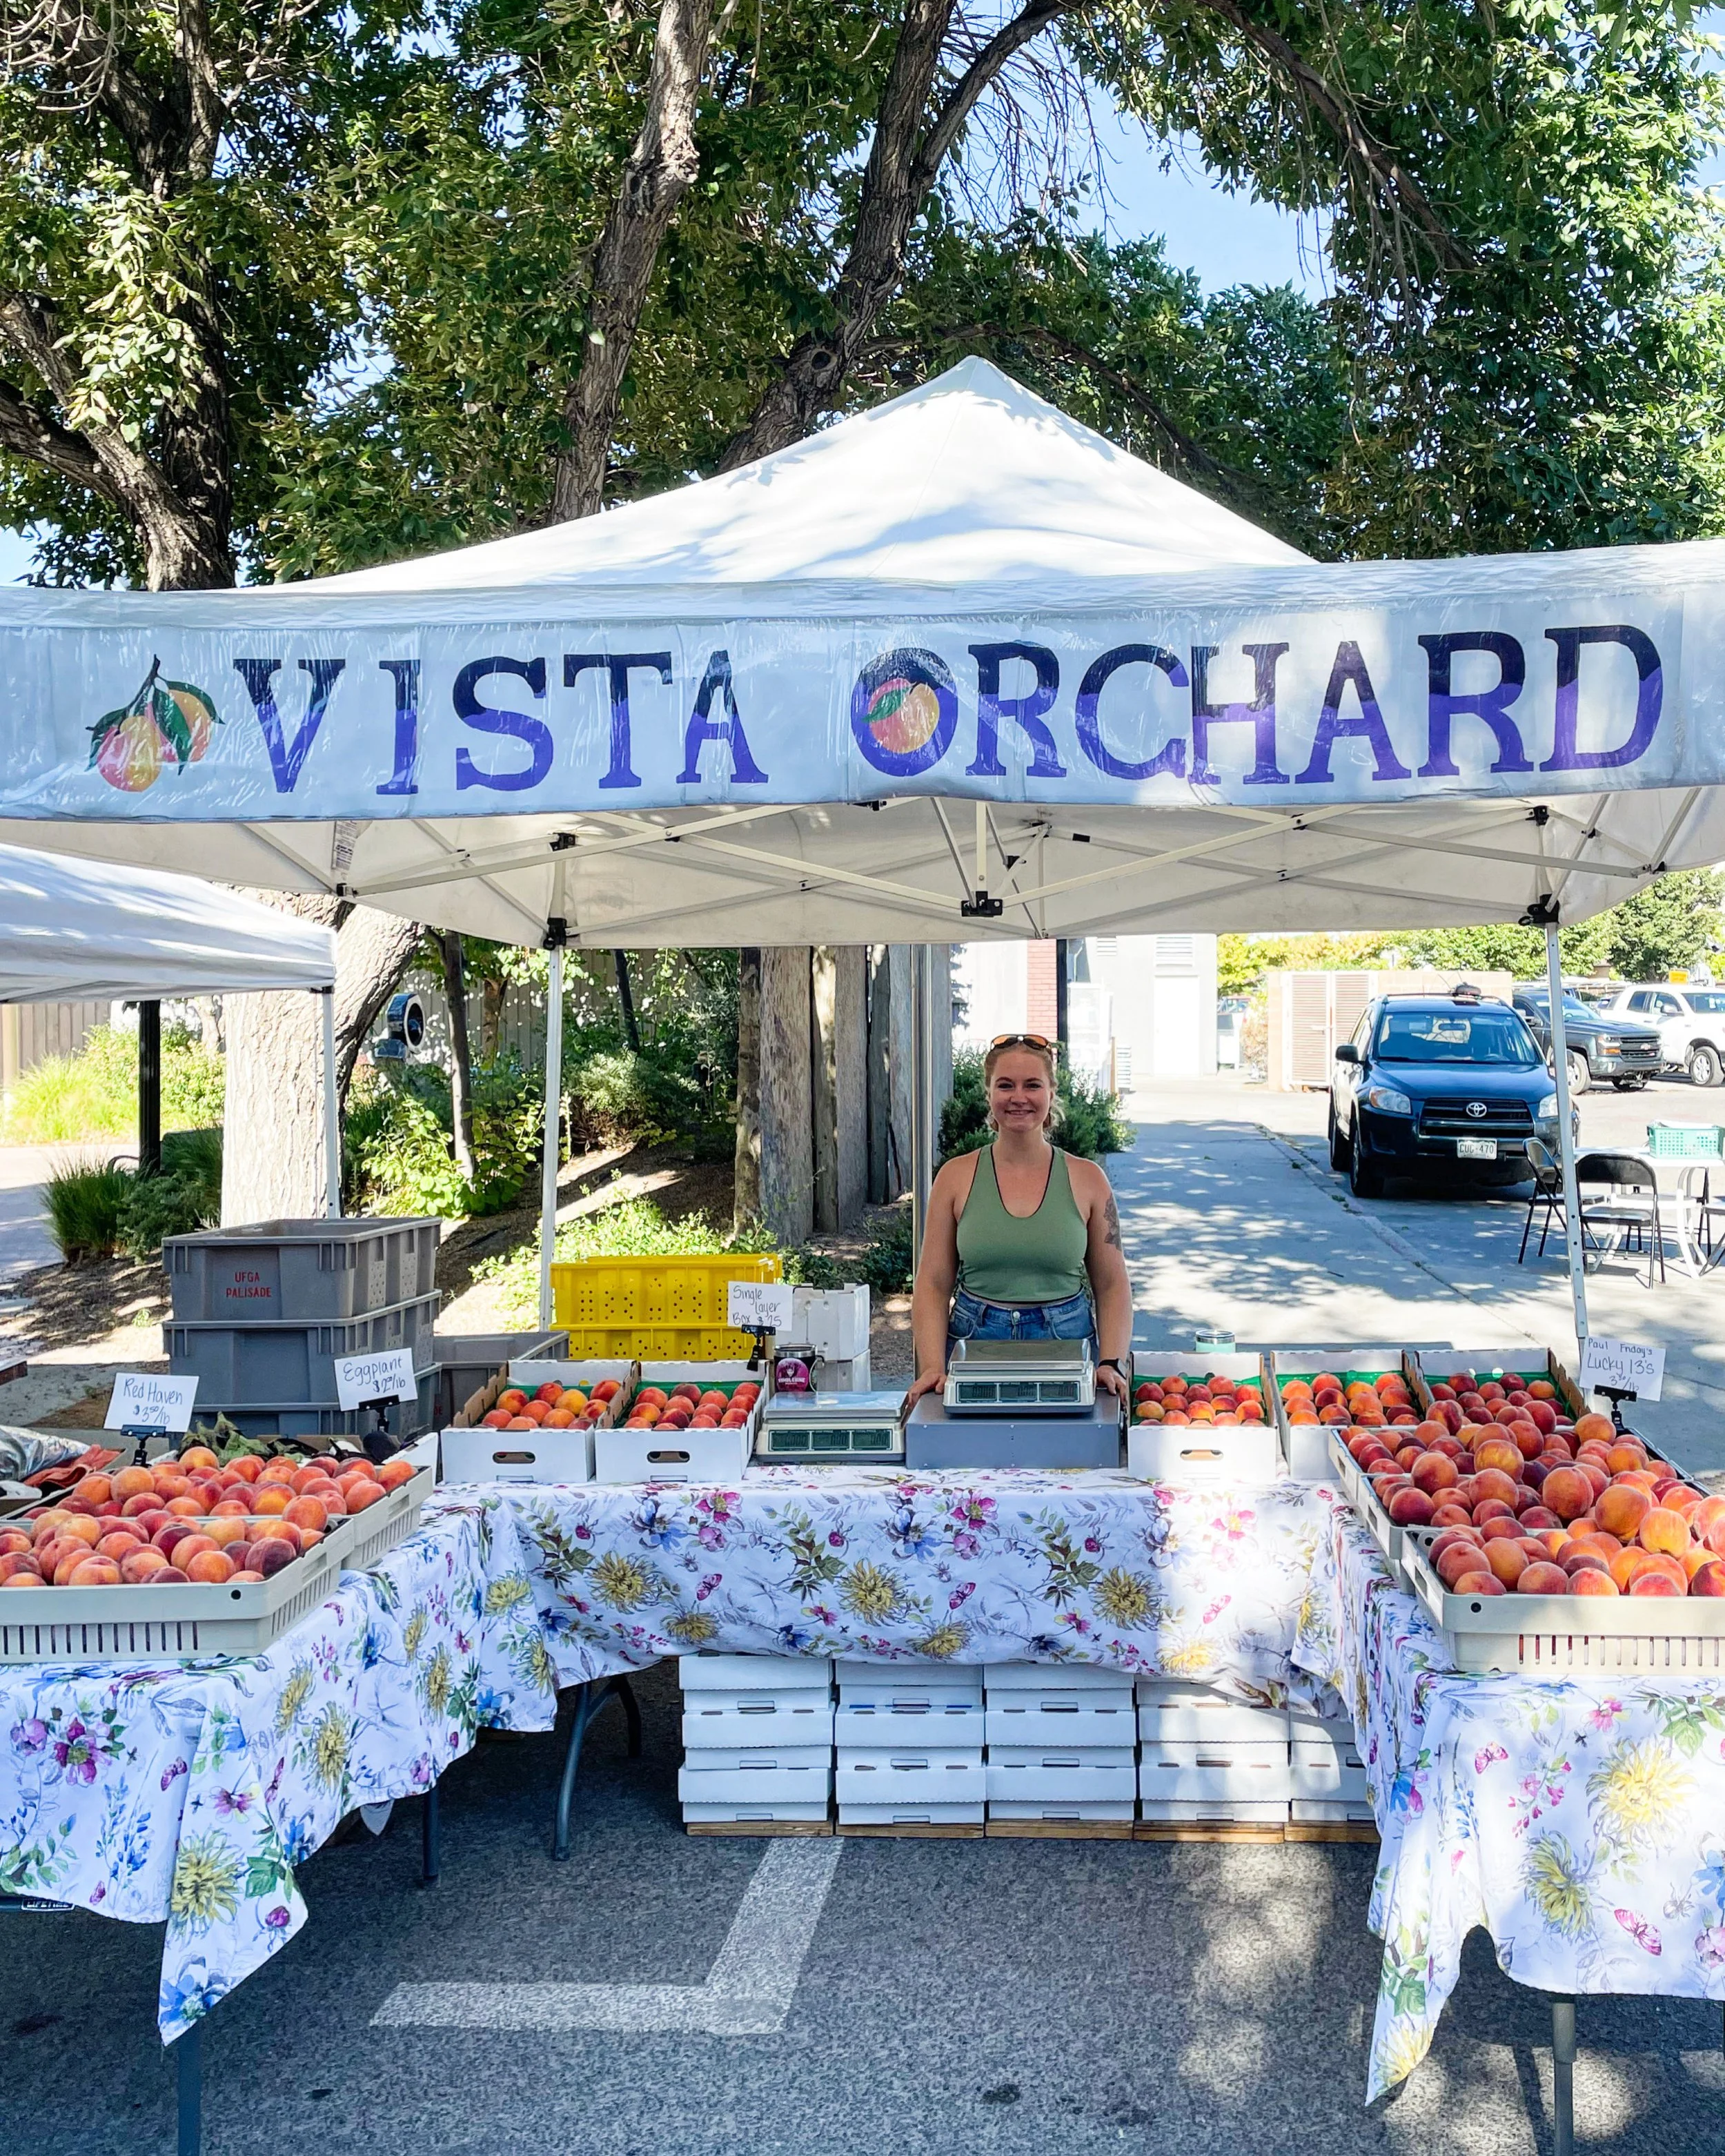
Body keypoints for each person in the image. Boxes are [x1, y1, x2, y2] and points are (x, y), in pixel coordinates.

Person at [907, 1034, 1132, 1407]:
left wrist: (1111, 1362)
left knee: (1068, 1462)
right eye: (1005, 1085)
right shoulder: (955, 1177)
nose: (1019, 1098)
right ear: (989, 1093)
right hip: (974, 1342)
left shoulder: (1088, 1179)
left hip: (1068, 1345)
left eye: (1032, 1085)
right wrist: (932, 1366)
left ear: (1050, 1093)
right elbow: (932, 1283)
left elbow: (1112, 1284)